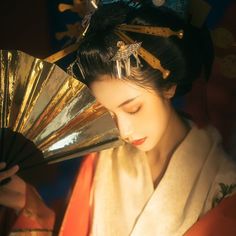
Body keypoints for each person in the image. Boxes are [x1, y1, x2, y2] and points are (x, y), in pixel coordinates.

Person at [1, 2, 236, 235]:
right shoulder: (102, 160)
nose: (123, 131)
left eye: (133, 108)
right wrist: (30, 207)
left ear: (169, 87)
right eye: (107, 114)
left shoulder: (224, 184)